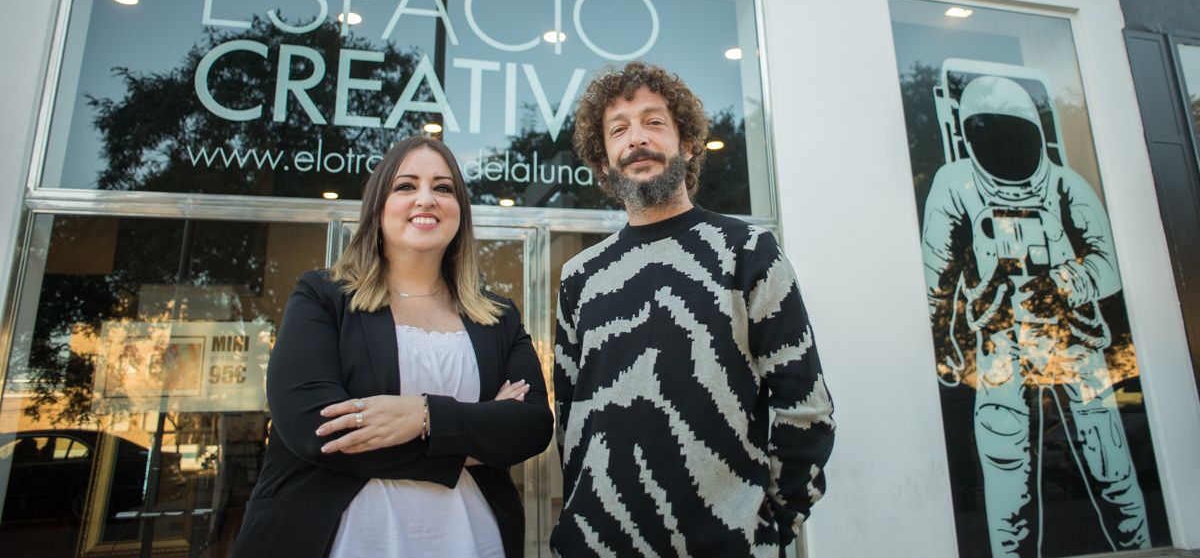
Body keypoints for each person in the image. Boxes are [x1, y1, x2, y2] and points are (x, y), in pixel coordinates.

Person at [551, 62, 835, 558]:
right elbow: (568, 422)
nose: (636, 139)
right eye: (619, 129)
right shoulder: (580, 276)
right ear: (603, 162)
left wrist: (770, 524)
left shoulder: (747, 251)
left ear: (687, 144)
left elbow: (805, 407)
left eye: (654, 122)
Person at [233, 135, 553, 558]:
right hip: (343, 542)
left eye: (443, 188)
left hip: (471, 542)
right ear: (379, 206)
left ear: (461, 210)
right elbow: (316, 429)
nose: (426, 199)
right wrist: (470, 443)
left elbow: (530, 427)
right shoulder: (323, 296)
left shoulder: (498, 315)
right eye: (406, 186)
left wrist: (421, 414)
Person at [922, 73, 1149, 557]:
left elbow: (1108, 266)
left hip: (1073, 337)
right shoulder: (956, 185)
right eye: (991, 133)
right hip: (1000, 339)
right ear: (969, 136)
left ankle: (1139, 548)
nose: (1003, 144)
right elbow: (936, 278)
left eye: (1011, 132)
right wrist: (945, 343)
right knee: (1006, 471)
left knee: (1109, 460)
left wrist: (1058, 284)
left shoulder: (1065, 185)